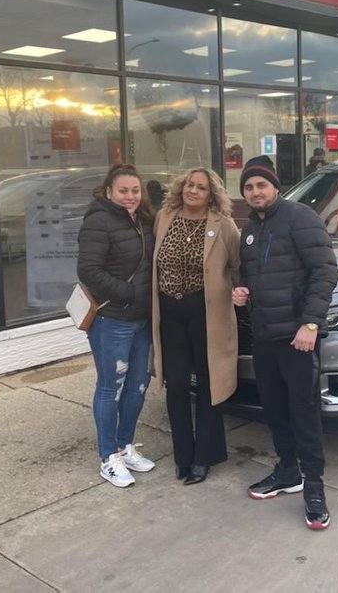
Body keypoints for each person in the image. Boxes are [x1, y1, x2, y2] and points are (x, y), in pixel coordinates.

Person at [233, 155, 338, 530]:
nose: (255, 192)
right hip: (264, 336)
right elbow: (249, 274)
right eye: (248, 187)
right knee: (275, 410)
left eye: (261, 185)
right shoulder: (250, 228)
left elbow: (324, 271)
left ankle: (314, 486)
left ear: (275, 187)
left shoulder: (300, 217)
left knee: (303, 413)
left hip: (297, 338)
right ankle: (288, 471)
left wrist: (310, 323)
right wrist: (241, 291)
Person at [151, 168, 240, 485]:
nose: (192, 190)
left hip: (206, 313)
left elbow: (237, 266)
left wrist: (239, 293)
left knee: (208, 383)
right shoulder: (165, 217)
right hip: (170, 312)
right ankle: (183, 456)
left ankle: (205, 455)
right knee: (175, 385)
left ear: (210, 194)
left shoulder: (223, 225)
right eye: (189, 184)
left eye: (200, 187)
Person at [77, 163, 156, 487]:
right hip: (112, 320)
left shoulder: (144, 220)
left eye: (135, 190)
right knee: (111, 387)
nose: (130, 196)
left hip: (143, 320)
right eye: (123, 190)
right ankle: (108, 457)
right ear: (109, 191)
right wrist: (128, 293)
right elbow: (88, 270)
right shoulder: (98, 221)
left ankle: (125, 446)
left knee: (138, 385)